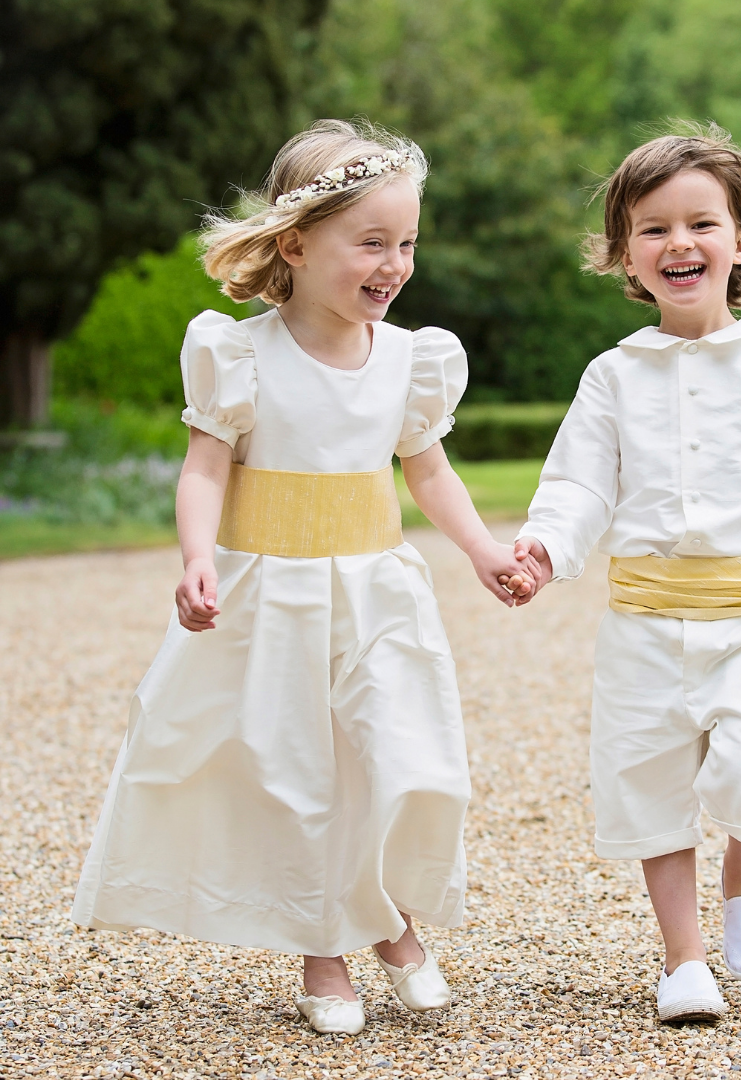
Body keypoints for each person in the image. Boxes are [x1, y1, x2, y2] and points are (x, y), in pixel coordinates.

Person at [72, 119, 534, 1036]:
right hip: (270, 598)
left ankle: (395, 919)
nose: (393, 263)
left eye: (405, 242)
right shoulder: (240, 355)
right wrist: (199, 558)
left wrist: (484, 549)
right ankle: (326, 949)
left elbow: (427, 470)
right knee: (301, 777)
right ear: (296, 243)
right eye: (371, 242)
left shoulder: (410, 359)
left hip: (375, 595)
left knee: (399, 758)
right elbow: (205, 468)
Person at [509, 124, 741, 1021]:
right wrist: (546, 548)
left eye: (701, 223)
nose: (680, 243)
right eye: (654, 228)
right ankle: (683, 961)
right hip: (639, 626)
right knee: (650, 788)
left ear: (739, 239)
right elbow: (581, 483)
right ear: (626, 255)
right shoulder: (612, 376)